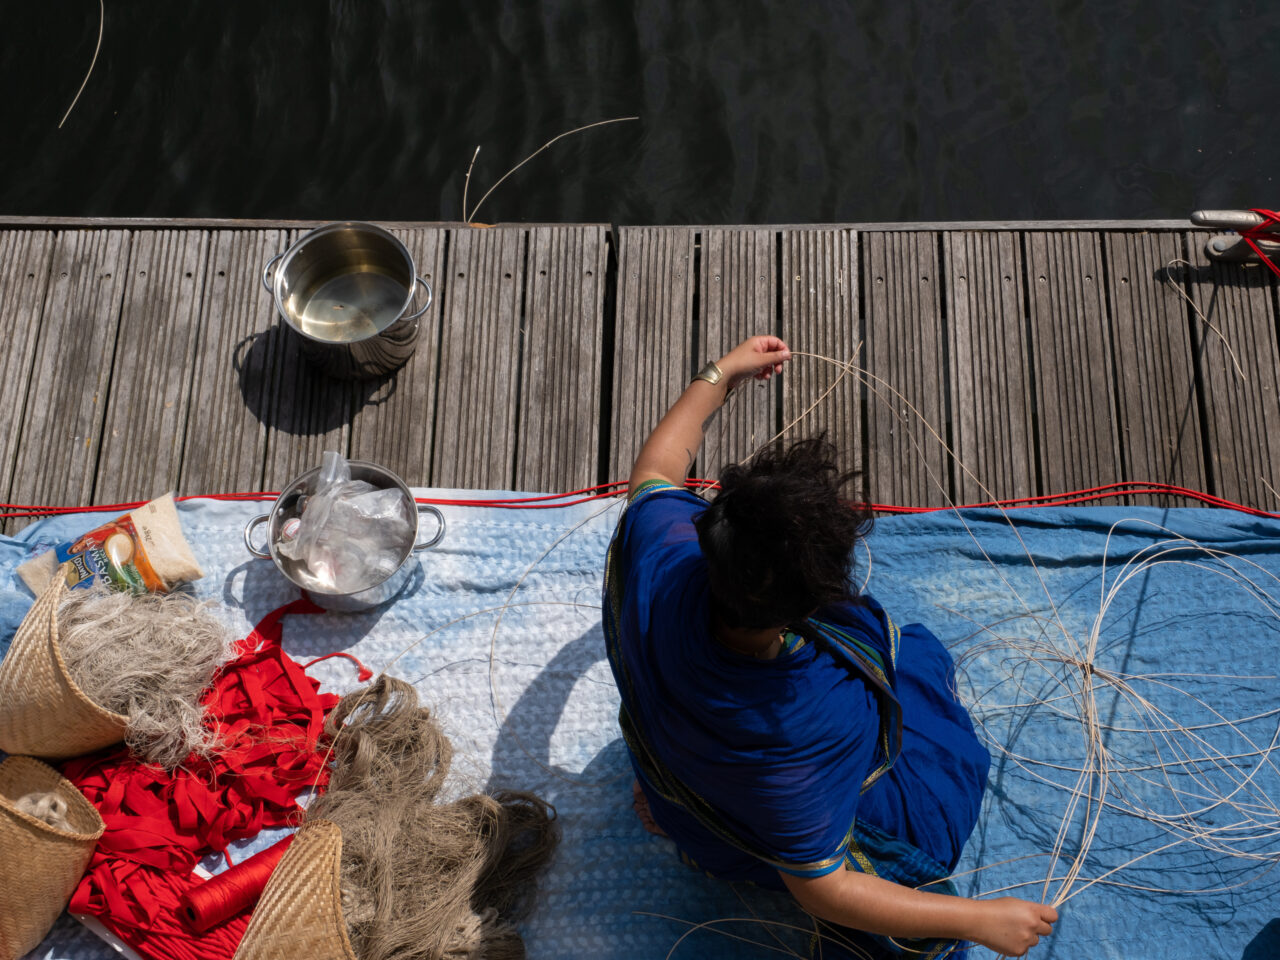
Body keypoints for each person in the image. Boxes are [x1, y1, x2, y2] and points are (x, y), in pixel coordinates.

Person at [603, 335, 1058, 958]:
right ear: (808, 607)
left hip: (680, 785)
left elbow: (656, 471)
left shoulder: (663, 555)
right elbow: (821, 888)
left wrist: (722, 372)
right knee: (920, 685)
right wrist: (977, 919)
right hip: (751, 827)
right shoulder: (804, 728)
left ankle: (678, 810)